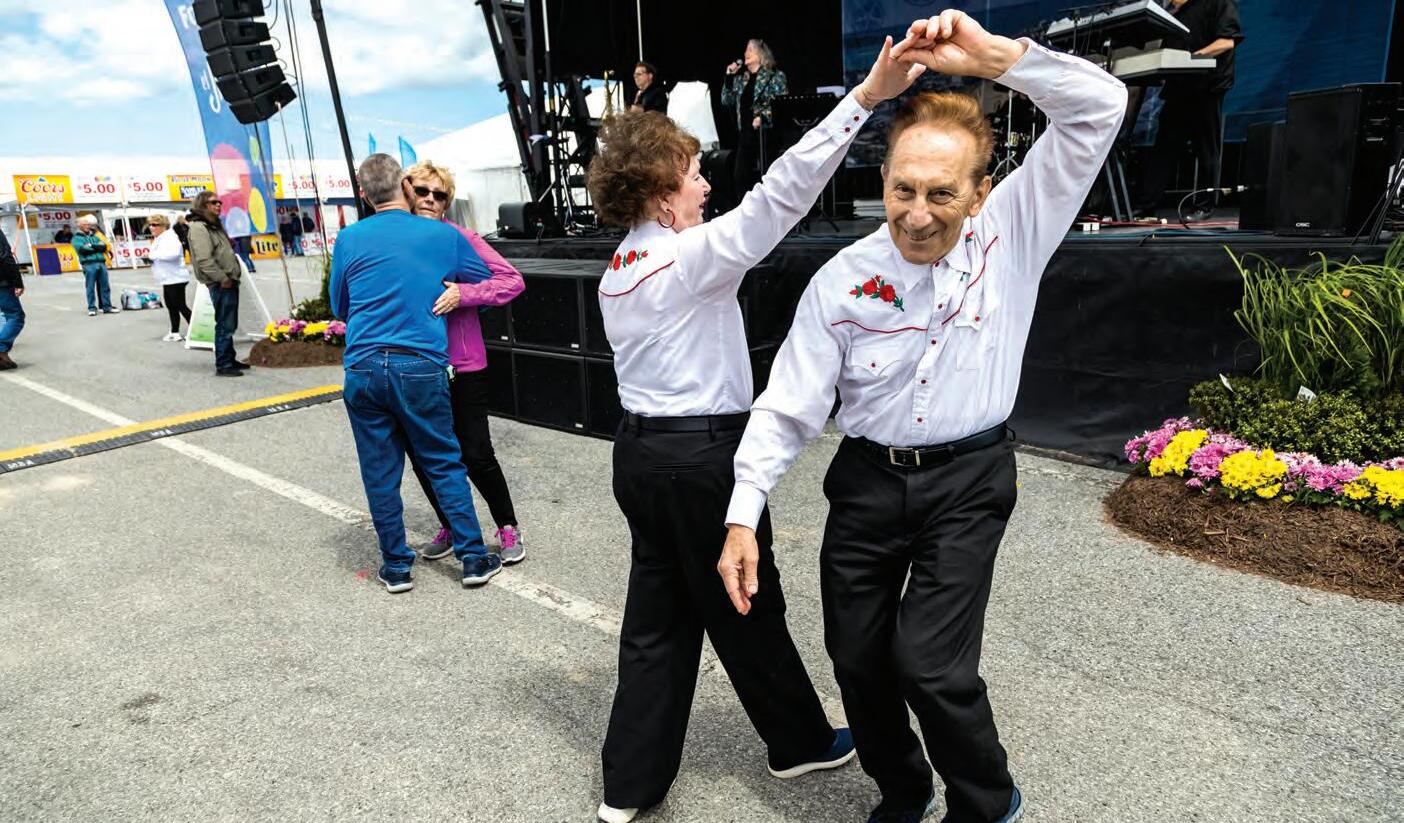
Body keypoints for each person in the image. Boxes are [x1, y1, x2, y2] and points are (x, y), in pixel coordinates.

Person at [717, 11, 1127, 823]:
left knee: (931, 664)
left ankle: (986, 801)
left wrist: (996, 57)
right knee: (857, 658)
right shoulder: (842, 280)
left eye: (942, 193)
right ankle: (903, 789)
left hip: (968, 481)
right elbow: (789, 403)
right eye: (902, 189)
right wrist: (741, 513)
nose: (916, 212)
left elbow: (1100, 108)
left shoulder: (1015, 230)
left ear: (980, 193)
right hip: (868, 482)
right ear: (883, 181)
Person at [586, 35, 926, 823]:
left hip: (641, 456)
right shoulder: (688, 260)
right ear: (663, 193)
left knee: (658, 616)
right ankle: (798, 740)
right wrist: (864, 98)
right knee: (744, 600)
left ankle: (628, 786)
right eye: (693, 174)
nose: (706, 184)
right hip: (699, 458)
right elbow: (782, 193)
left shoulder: (617, 272)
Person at [329, 153, 499, 593]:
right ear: (405, 187)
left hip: (364, 364)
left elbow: (339, 306)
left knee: (379, 470)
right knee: (443, 461)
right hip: (420, 363)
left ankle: (396, 566)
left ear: (363, 194)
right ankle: (473, 558)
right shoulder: (441, 235)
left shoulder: (348, 238)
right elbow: (482, 280)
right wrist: (448, 291)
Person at [401, 160, 528, 564]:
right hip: (416, 365)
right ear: (406, 192)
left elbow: (512, 280)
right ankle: (451, 524)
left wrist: (465, 294)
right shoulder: (395, 241)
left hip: (464, 365)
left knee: (475, 453)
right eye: (422, 191)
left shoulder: (462, 238)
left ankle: (507, 526)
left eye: (439, 195)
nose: (430, 200)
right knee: (424, 454)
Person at [1135, 0, 1242, 218]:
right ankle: (1145, 205)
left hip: (1207, 85)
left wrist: (1191, 59)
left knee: (1207, 148)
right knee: (1164, 149)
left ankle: (1204, 205)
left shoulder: (1217, 3)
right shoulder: (1174, 15)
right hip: (1178, 87)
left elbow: (1226, 42)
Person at [186, 191, 249, 376]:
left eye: (219, 202)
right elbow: (204, 259)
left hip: (228, 280)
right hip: (220, 282)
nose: (218, 205)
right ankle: (224, 364)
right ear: (203, 205)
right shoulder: (199, 227)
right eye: (213, 202)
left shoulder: (213, 224)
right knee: (224, 324)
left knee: (229, 322)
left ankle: (229, 358)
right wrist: (222, 278)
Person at [721, 39, 788, 201]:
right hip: (746, 134)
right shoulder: (741, 79)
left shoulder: (775, 76)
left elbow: (781, 103)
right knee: (740, 177)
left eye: (750, 49)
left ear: (761, 54)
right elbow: (726, 100)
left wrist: (763, 116)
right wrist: (728, 77)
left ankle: (772, 209)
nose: (746, 53)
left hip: (766, 134)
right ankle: (746, 212)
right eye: (746, 50)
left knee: (769, 176)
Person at [147, 214, 192, 342]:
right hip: (168, 278)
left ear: (163, 226)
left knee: (180, 305)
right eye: (150, 225)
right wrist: (150, 257)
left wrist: (153, 256)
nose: (151, 227)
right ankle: (174, 331)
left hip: (175, 277)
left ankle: (196, 330)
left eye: (154, 225)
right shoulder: (159, 238)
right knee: (171, 305)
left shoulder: (170, 238)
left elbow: (173, 254)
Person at [72, 215, 116, 316]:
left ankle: (107, 306)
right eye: (85, 224)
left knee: (105, 286)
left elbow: (104, 246)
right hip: (89, 264)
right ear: (80, 226)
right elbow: (83, 250)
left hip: (101, 263)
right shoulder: (76, 238)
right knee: (90, 287)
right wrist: (97, 247)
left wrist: (91, 246)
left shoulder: (94, 236)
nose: (88, 226)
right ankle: (92, 308)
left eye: (88, 224)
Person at [0, 228, 23, 370]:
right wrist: (17, 281)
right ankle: (1, 349)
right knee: (15, 316)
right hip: (2, 282)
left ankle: (3, 356)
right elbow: (5, 256)